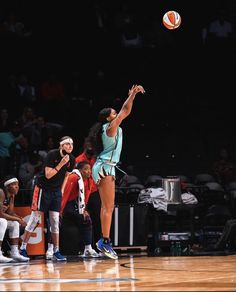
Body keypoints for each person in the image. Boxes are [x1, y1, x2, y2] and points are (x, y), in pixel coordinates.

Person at [87, 84, 145, 259]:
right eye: (113, 113)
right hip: (105, 166)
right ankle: (104, 241)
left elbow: (125, 111)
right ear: (107, 118)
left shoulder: (115, 127)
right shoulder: (110, 128)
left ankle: (104, 241)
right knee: (107, 207)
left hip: (107, 166)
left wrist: (132, 97)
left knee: (108, 207)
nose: (116, 115)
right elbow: (124, 111)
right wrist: (132, 95)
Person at [19, 136, 75, 261]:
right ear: (61, 145)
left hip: (56, 192)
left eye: (72, 144)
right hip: (43, 189)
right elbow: (48, 175)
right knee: (35, 219)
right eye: (67, 144)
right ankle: (22, 248)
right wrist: (61, 164)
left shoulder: (71, 159)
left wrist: (61, 190)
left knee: (55, 221)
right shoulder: (52, 155)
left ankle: (56, 250)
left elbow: (66, 176)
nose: (70, 146)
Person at [46, 161, 100, 259]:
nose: (89, 171)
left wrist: (84, 210)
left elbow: (86, 196)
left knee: (86, 219)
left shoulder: (90, 180)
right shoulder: (73, 177)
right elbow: (64, 194)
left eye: (90, 169)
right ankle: (50, 250)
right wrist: (60, 210)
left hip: (75, 204)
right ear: (80, 170)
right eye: (86, 169)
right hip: (62, 202)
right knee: (55, 223)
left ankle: (88, 249)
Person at [75, 138, 101, 247]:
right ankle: (86, 247)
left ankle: (99, 246)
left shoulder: (98, 159)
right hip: (82, 193)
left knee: (97, 220)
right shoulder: (78, 160)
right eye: (88, 143)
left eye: (92, 143)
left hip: (94, 192)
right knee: (83, 219)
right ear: (85, 145)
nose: (90, 146)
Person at [0, 175, 29, 262]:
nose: (17, 186)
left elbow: (10, 213)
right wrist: (17, 219)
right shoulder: (1, 192)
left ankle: (15, 253)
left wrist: (19, 219)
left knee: (15, 223)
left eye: (18, 184)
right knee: (3, 221)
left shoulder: (11, 195)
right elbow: (1, 214)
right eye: (14, 184)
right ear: (8, 186)